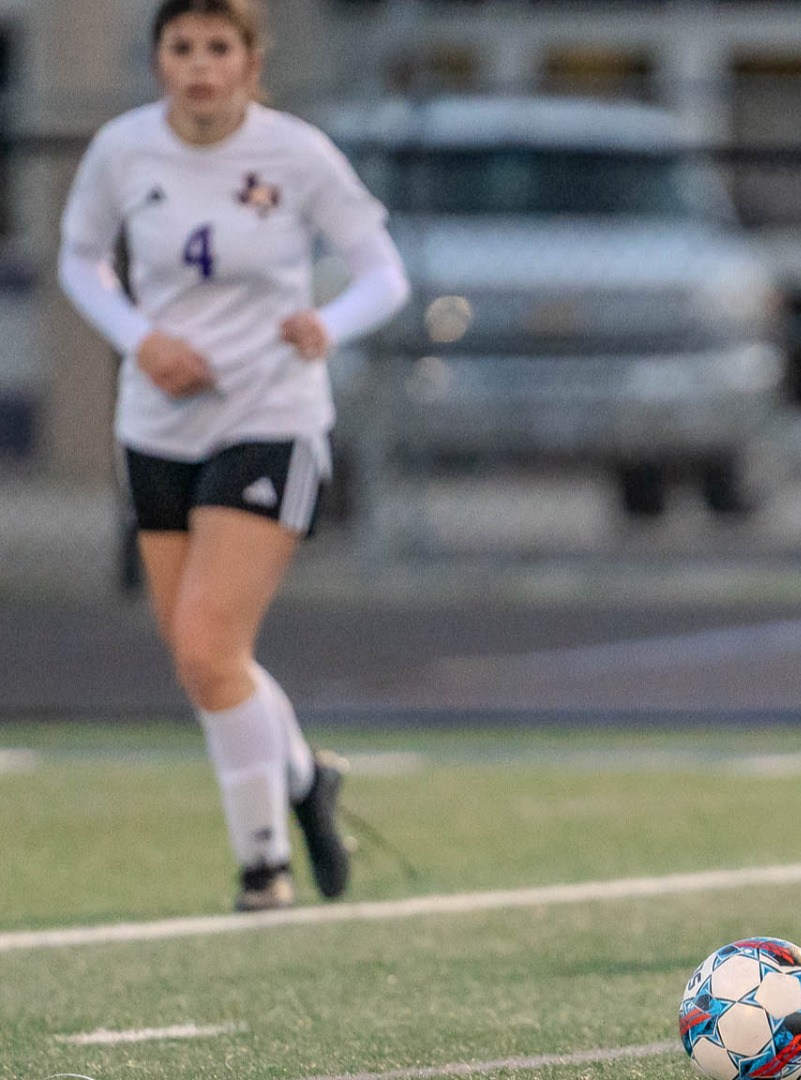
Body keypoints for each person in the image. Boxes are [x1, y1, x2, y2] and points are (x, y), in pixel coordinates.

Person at [59, 0, 411, 911]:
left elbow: (384, 273)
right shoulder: (123, 149)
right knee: (198, 660)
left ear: (251, 63)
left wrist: (323, 324)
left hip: (270, 412)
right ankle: (304, 779)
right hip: (157, 422)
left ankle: (264, 867)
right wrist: (140, 339)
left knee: (214, 643)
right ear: (157, 61)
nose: (200, 65)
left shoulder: (295, 153)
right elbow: (79, 259)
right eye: (182, 47)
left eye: (220, 47)